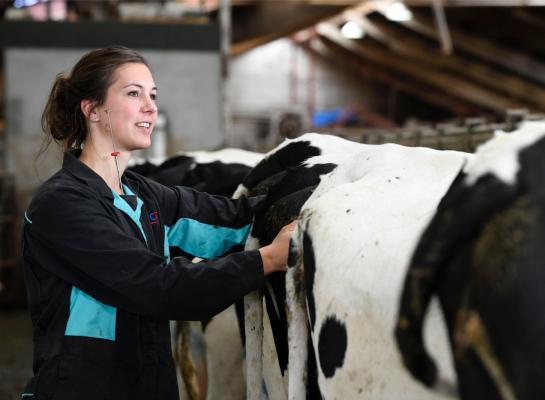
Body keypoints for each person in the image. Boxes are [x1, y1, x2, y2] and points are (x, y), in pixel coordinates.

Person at [21, 46, 295, 400]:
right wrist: (268, 259)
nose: (150, 107)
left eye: (152, 95)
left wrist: (304, 200)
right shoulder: (60, 205)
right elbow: (158, 287)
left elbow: (233, 221)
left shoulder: (145, 197)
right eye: (133, 94)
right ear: (92, 110)